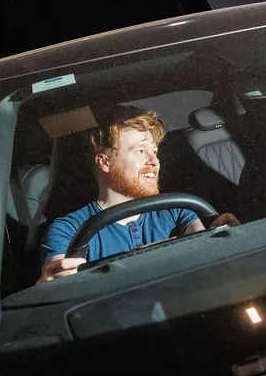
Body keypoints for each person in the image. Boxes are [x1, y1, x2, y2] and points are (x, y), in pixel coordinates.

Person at [40, 106, 232, 281]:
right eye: (140, 151)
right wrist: (50, 281)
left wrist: (228, 240)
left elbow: (211, 262)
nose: (154, 161)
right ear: (105, 162)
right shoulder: (69, 230)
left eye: (154, 151)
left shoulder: (179, 211)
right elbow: (56, 279)